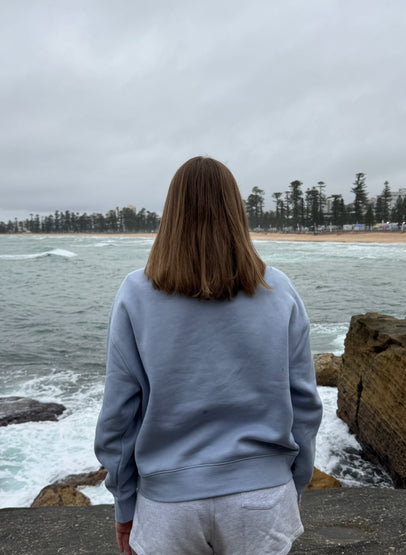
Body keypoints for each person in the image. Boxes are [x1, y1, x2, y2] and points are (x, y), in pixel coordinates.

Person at [94, 156, 322, 555]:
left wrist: (124, 504)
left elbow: (118, 415)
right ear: (236, 211)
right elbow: (305, 403)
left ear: (172, 214)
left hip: (168, 506)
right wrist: (294, 483)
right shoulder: (278, 290)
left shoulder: (135, 293)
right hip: (262, 497)